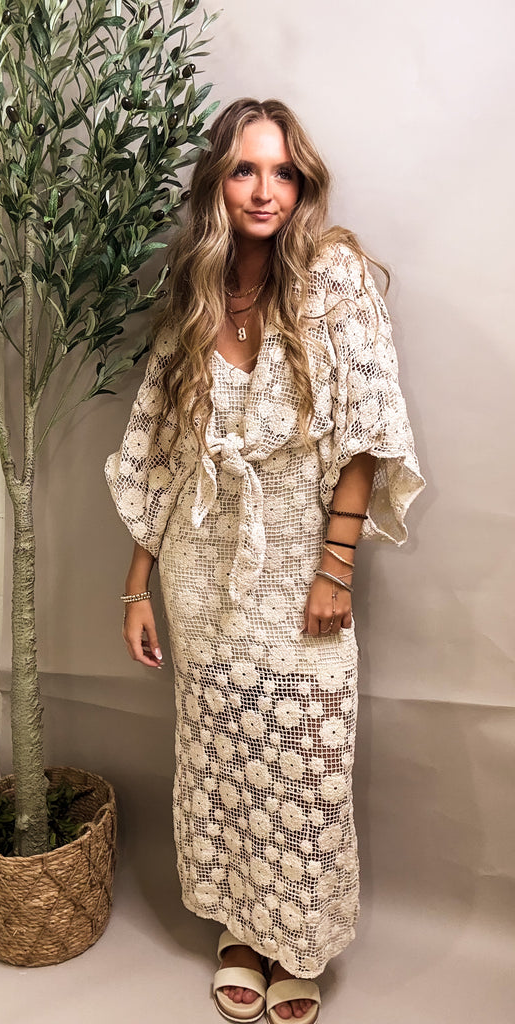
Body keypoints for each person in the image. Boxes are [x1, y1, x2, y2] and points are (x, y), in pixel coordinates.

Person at [105, 98, 424, 1024]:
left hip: (297, 562)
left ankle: (298, 940)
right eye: (245, 169)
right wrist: (136, 587)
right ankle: (240, 932)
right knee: (222, 757)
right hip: (201, 573)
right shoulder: (195, 297)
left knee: (304, 764)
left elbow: (366, 435)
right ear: (218, 181)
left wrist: (336, 568)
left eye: (282, 172)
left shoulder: (334, 278)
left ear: (302, 184)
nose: (264, 190)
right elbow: (162, 452)